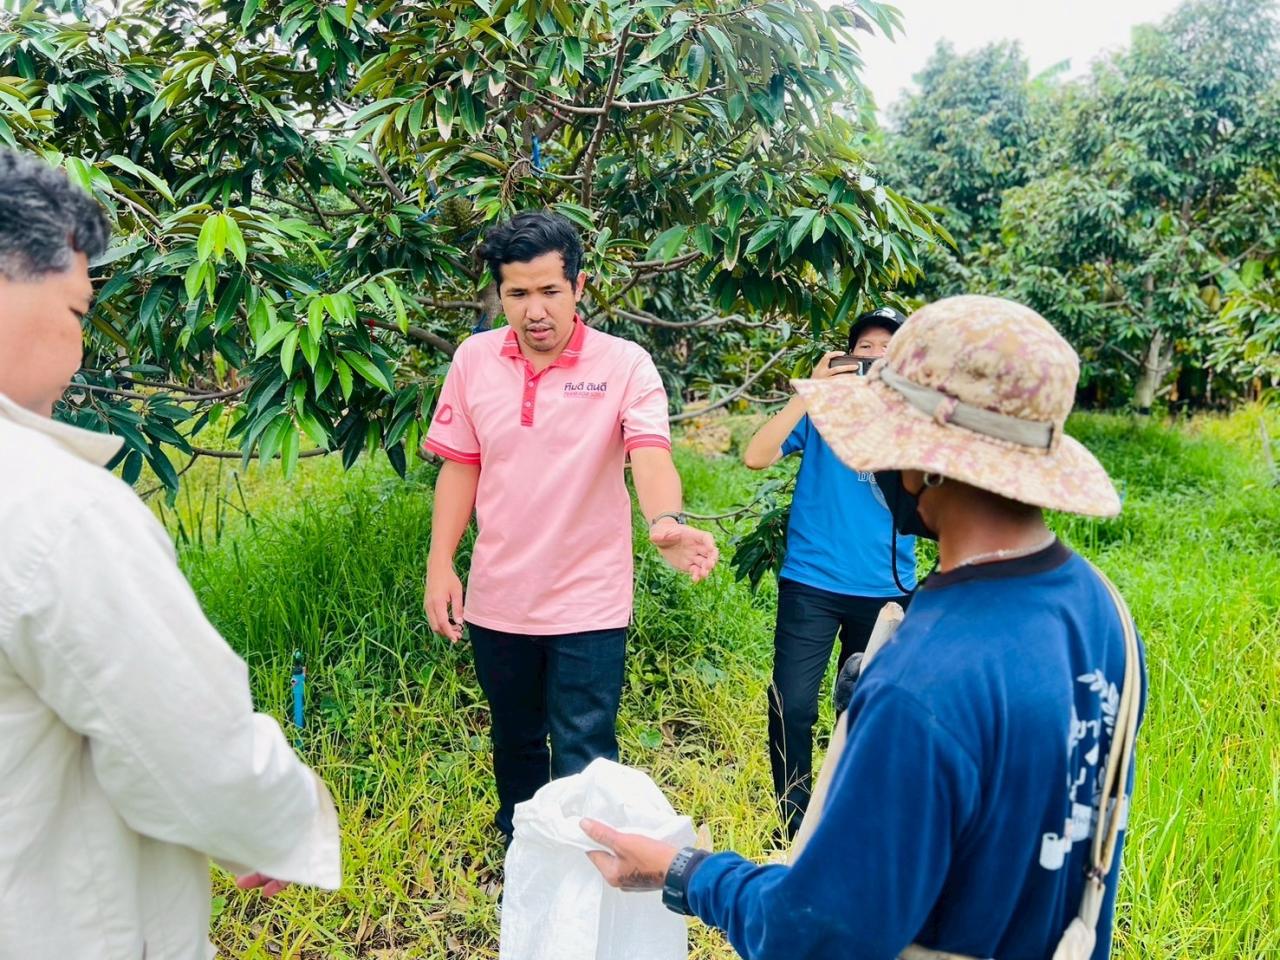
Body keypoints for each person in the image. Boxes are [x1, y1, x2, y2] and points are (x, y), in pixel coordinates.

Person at [582, 295, 1147, 960]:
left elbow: (816, 932)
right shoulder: (1104, 613)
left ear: (920, 463)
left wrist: (681, 870)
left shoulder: (921, 684)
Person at [0, 151, 340, 958]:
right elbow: (191, 746)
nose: (79, 350)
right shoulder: (54, 507)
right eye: (78, 311)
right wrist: (279, 820)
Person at [421, 211, 719, 844]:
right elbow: (460, 467)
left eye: (550, 291)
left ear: (579, 288)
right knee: (516, 741)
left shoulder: (625, 364)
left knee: (585, 751)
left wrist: (664, 521)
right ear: (498, 294)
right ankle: (523, 858)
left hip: (590, 600)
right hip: (499, 597)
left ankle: (583, 873)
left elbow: (650, 454)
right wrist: (440, 563)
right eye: (518, 294)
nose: (535, 311)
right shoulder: (474, 359)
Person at [742, 306, 915, 838]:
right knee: (792, 703)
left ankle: (846, 821)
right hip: (812, 582)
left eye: (888, 355)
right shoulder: (821, 411)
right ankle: (792, 824)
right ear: (844, 360)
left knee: (868, 712)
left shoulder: (915, 419)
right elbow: (756, 455)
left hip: (887, 588)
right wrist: (809, 393)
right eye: (864, 352)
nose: (873, 363)